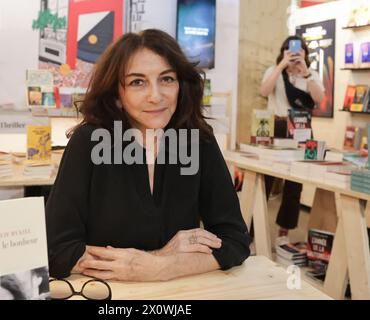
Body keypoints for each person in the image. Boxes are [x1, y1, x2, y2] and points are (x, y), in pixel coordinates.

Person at [45, 29, 251, 282]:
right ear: (117, 96)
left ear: (181, 85)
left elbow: (235, 240)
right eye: (137, 82)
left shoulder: (198, 140)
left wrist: (165, 266)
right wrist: (160, 256)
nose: (156, 96)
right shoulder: (88, 141)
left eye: (166, 79)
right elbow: (57, 251)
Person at [259, 35, 325, 237]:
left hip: (301, 129)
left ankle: (284, 233)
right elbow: (264, 91)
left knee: (295, 183)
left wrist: (305, 74)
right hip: (277, 126)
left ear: (305, 53)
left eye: (299, 50)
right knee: (265, 179)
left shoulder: (311, 74)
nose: (295, 53)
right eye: (290, 50)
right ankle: (253, 232)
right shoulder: (274, 71)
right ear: (283, 51)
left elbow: (319, 99)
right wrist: (281, 66)